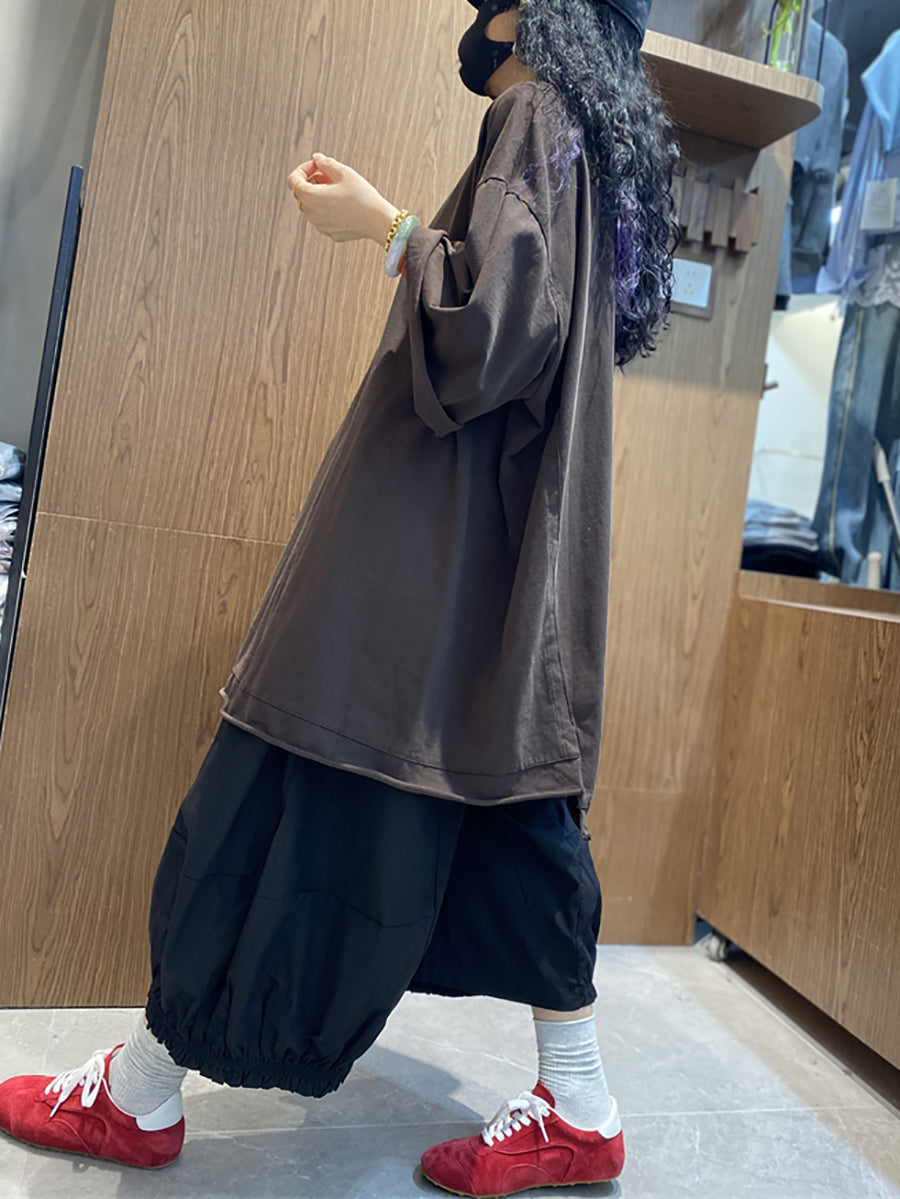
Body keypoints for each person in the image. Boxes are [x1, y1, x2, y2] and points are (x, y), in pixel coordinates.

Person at [0, 0, 677, 1194]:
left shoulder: (534, 113)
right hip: (503, 566)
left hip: (426, 554)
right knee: (515, 810)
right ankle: (580, 1103)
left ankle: (140, 1088)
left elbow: (492, 328)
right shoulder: (586, 136)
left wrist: (390, 227)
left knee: (274, 778)